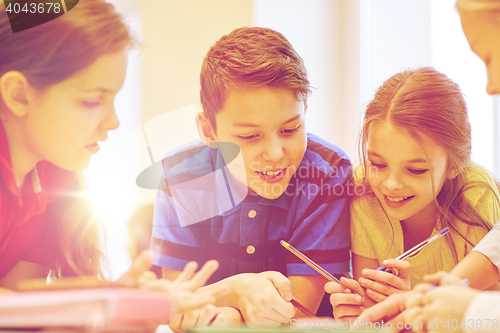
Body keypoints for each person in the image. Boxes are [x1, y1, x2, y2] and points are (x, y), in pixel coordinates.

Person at [0, 0, 225, 322]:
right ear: (19, 94)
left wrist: (122, 302)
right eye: (92, 100)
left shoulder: (52, 184)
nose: (113, 121)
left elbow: (15, 313)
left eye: (113, 98)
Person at [151, 26, 353, 329]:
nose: (274, 153)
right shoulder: (182, 177)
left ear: (305, 111)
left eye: (290, 129)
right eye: (249, 135)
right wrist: (237, 290)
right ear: (209, 131)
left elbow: (296, 310)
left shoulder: (328, 174)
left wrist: (229, 313)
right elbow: (181, 308)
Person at [325, 66, 500, 323]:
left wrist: (417, 306)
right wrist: (364, 312)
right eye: (378, 164)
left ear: (456, 162)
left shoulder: (476, 196)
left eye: (416, 170)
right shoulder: (364, 193)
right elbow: (374, 312)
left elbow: (483, 317)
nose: (391, 184)